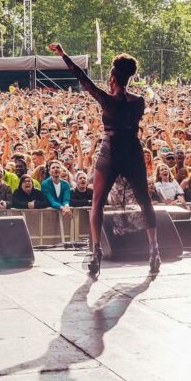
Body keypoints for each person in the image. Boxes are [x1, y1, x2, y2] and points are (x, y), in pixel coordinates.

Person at [50, 42, 158, 278]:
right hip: (133, 150)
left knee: (97, 202)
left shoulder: (108, 100)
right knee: (145, 201)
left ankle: (96, 252)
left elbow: (82, 78)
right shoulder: (139, 101)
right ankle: (154, 250)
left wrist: (64, 54)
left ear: (112, 77)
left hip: (111, 151)